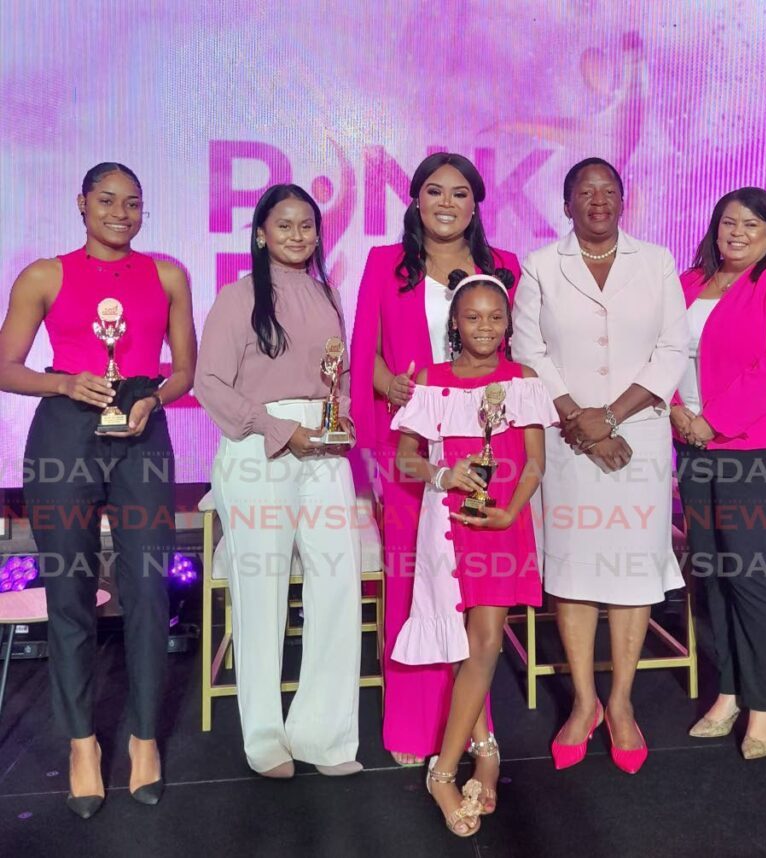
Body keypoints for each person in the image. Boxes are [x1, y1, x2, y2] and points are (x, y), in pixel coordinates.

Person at [0, 162, 195, 817]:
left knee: (147, 588)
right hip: (64, 433)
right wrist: (62, 382)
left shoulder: (167, 274)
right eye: (107, 200)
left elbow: (185, 369)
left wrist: (153, 398)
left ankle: (144, 740)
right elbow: (6, 365)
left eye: (133, 203)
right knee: (70, 591)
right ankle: (82, 742)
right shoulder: (44, 275)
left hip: (143, 431)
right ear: (81, 204)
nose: (121, 212)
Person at [512, 157, 687, 774]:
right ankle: (583, 702)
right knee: (575, 567)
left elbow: (673, 347)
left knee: (634, 570)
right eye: (584, 192)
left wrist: (609, 417)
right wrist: (577, 420)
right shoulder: (540, 265)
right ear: (565, 205)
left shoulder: (657, 261)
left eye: (608, 191)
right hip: (566, 440)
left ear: (624, 200)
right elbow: (527, 349)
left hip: (637, 436)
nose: (598, 201)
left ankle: (621, 702)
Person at [350, 153, 521, 766]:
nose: (445, 203)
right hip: (411, 453)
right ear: (416, 201)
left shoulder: (503, 268)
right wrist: (389, 383)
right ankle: (416, 726)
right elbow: (361, 352)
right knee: (412, 584)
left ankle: (475, 727)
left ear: (476, 204)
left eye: (459, 193)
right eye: (433, 191)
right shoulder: (384, 265)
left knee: (475, 594)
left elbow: (513, 355)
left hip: (484, 455)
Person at [195, 183, 363, 780]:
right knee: (261, 588)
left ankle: (325, 733)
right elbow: (208, 383)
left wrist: (338, 427)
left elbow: (338, 381)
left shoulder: (329, 294)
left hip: (324, 448)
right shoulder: (237, 297)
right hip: (256, 449)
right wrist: (277, 429)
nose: (298, 235)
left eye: (308, 226)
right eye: (285, 225)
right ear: (261, 233)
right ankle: (265, 736)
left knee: (338, 583)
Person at [390, 269, 556, 836]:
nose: (484, 327)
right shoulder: (432, 381)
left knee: (485, 643)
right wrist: (443, 472)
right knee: (464, 646)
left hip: (504, 523)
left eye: (495, 317)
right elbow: (406, 459)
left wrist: (513, 510)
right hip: (448, 524)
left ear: (508, 322)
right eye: (472, 317)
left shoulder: (523, 379)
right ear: (455, 324)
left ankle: (442, 771)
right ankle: (485, 748)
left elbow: (534, 460)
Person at [673, 187, 766, 760]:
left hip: (762, 447)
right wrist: (681, 416)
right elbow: (661, 353)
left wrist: (715, 420)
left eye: (750, 224)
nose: (736, 232)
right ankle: (730, 690)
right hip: (692, 443)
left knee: (754, 575)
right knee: (715, 572)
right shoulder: (686, 283)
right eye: (727, 221)